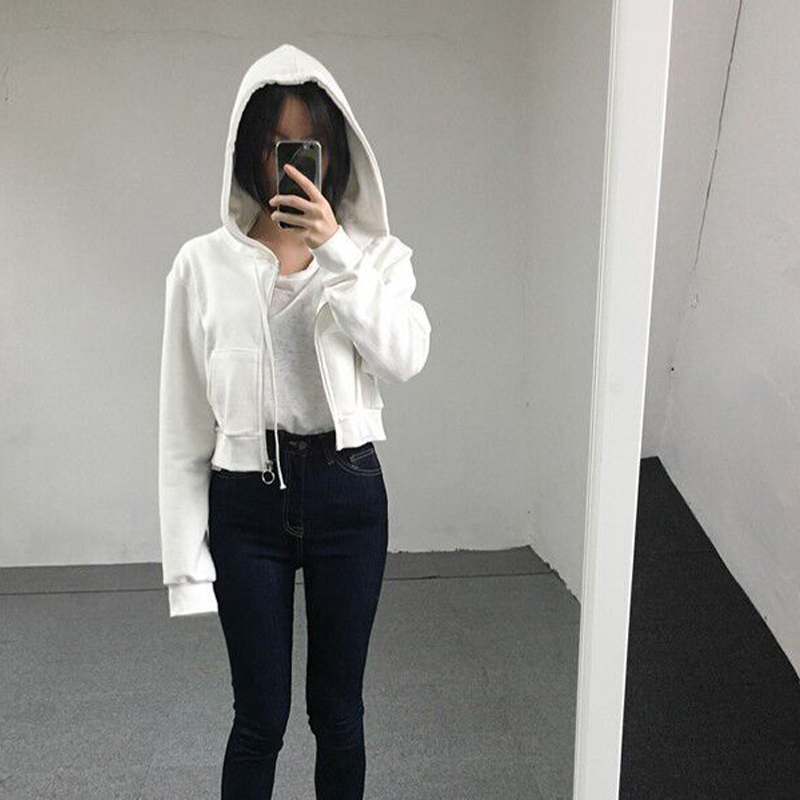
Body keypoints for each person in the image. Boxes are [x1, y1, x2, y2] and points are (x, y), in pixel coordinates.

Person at [157, 43, 432, 800]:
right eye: (277, 144)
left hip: (348, 493)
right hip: (245, 503)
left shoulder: (374, 257)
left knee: (338, 714)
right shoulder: (201, 266)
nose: (292, 161)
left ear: (333, 151)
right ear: (250, 150)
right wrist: (185, 567)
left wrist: (335, 251)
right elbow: (182, 427)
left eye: (307, 144)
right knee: (259, 720)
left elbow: (406, 356)